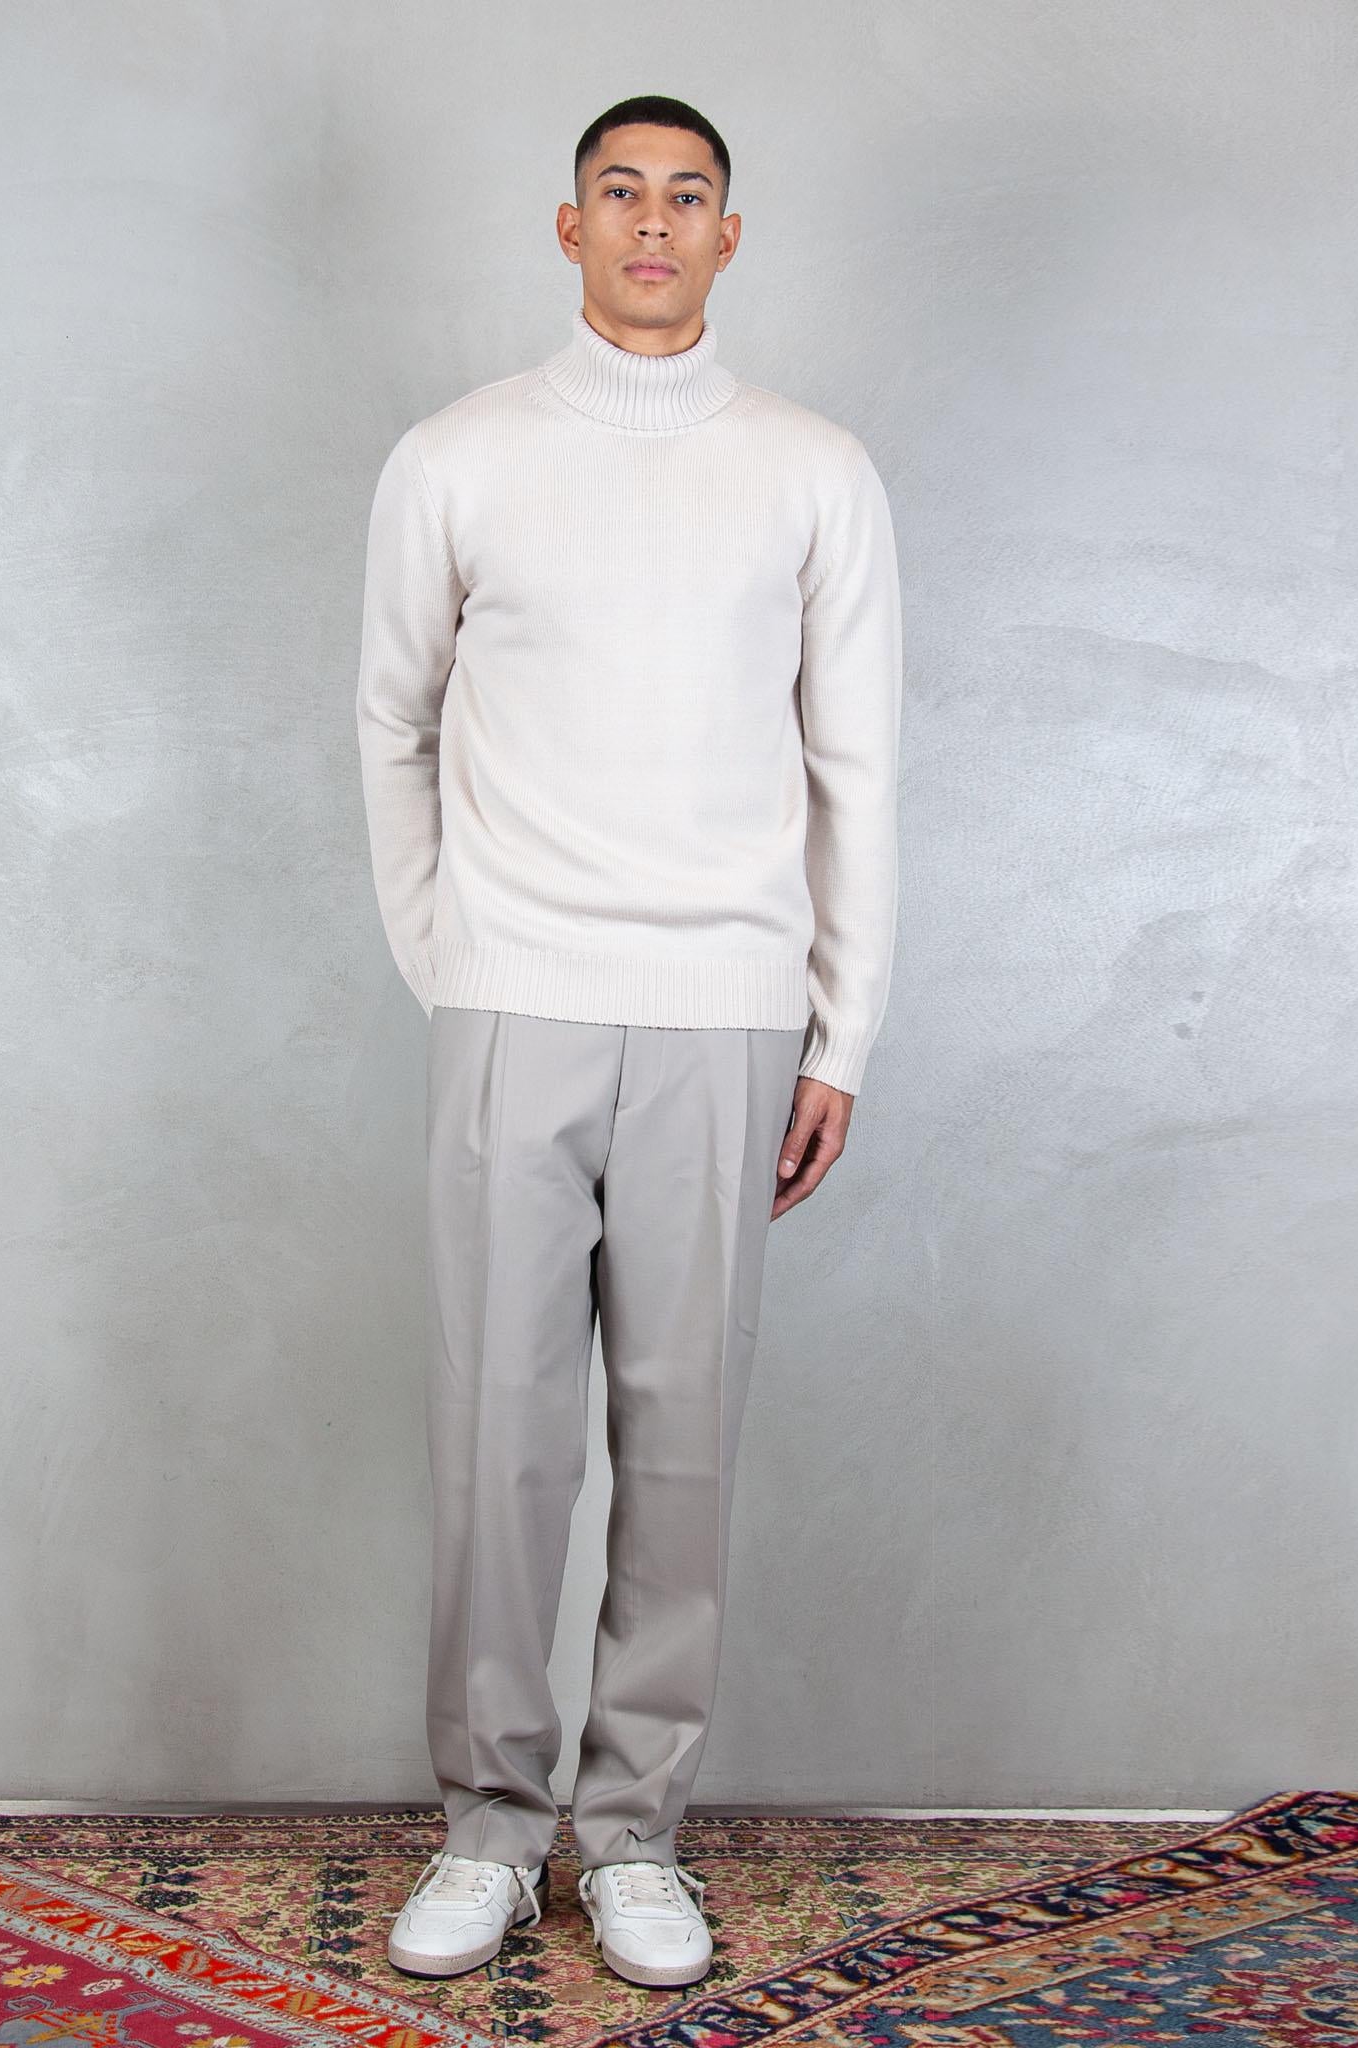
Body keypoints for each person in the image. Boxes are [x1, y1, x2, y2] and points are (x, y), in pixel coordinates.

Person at [356, 93, 903, 1990]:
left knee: (680, 1447)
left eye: (687, 197)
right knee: (495, 1438)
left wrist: (840, 1031)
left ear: (728, 236)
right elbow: (391, 724)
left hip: (727, 1015)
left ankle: (634, 1836)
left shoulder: (813, 470)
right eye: (619, 192)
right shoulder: (457, 457)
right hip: (513, 998)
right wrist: (453, 957)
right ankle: (487, 1831)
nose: (652, 222)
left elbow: (856, 768)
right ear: (567, 225)